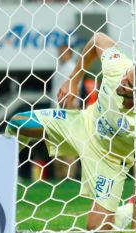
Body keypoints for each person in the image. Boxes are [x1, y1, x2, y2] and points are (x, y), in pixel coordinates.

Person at [6, 32, 135, 230]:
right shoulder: (117, 67)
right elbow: (97, 38)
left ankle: (124, 214)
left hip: (110, 160)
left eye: (127, 83)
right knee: (19, 123)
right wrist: (73, 81)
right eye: (126, 75)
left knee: (96, 230)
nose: (122, 80)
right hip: (83, 123)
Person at [50, 43, 80, 180]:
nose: (60, 55)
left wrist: (68, 108)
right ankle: (59, 176)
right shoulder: (59, 68)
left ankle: (69, 176)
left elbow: (75, 89)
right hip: (56, 111)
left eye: (63, 52)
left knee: (68, 144)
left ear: (70, 53)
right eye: (59, 52)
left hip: (67, 109)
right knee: (57, 144)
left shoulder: (72, 67)